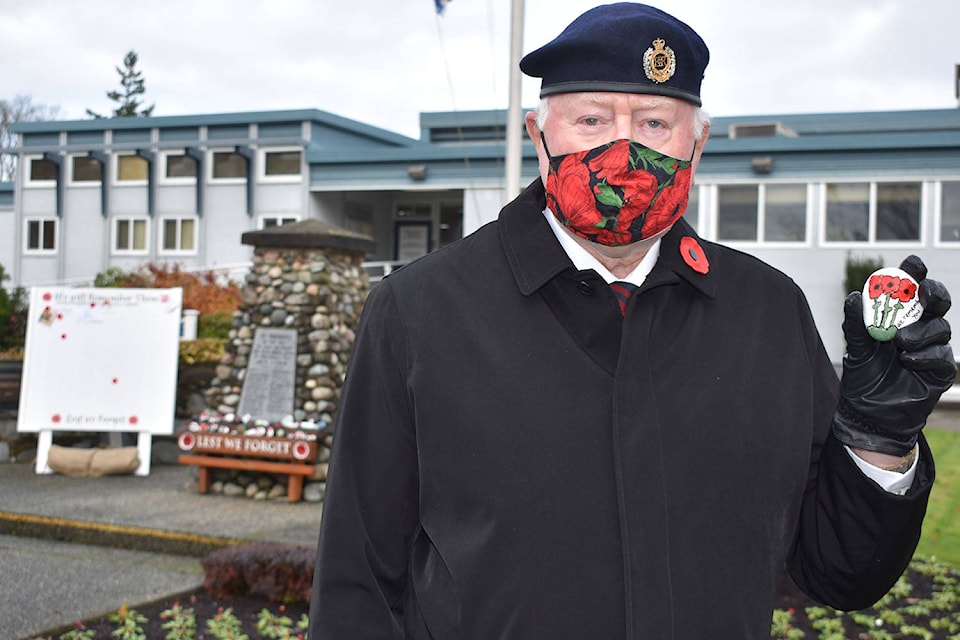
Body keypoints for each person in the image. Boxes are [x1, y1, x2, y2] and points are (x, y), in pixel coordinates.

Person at [309, 3, 957, 638]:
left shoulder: (769, 312)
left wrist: (876, 437)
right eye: (591, 120)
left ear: (696, 146)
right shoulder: (421, 310)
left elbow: (840, 573)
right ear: (540, 138)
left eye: (654, 123)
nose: (623, 149)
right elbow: (358, 582)